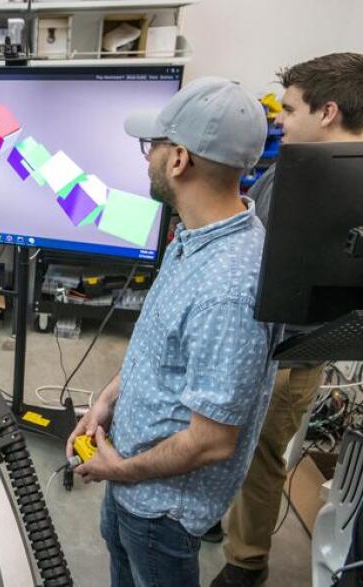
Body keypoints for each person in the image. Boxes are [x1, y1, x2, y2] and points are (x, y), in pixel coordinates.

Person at [66, 77, 282, 587]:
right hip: (130, 478)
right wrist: (104, 404)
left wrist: (118, 469)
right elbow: (156, 348)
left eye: (153, 147)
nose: (146, 159)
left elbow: (211, 442)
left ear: (179, 159)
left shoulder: (228, 288)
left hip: (161, 510)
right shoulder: (195, 238)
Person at [211, 52, 363, 587]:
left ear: (326, 112)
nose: (278, 118)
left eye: (290, 108)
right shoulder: (285, 174)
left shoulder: (323, 182)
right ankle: (216, 514)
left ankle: (246, 561)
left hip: (290, 349)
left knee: (258, 453)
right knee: (222, 436)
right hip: (262, 334)